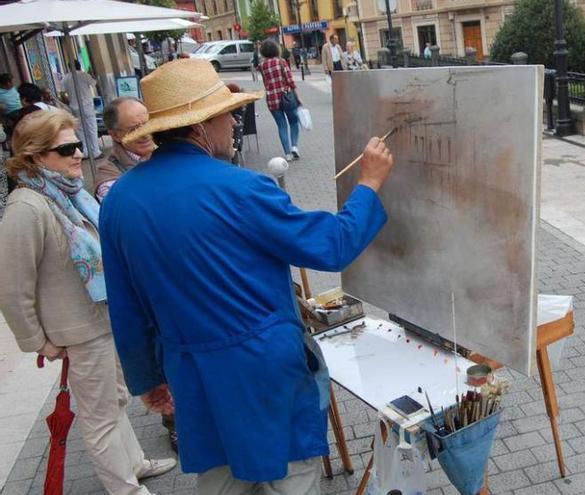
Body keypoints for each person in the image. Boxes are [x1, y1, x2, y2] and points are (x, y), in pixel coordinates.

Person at [99, 58, 393, 494]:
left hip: (191, 369)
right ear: (199, 127)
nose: (236, 121)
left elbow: (124, 305)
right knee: (291, 477)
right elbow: (331, 245)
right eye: (227, 114)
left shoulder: (120, 198)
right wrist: (369, 184)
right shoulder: (242, 188)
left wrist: (148, 379)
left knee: (221, 479)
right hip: (263, 369)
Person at [0, 108, 176, 495]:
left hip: (103, 319)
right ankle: (124, 488)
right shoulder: (27, 207)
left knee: (114, 400)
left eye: (77, 144)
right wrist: (37, 341)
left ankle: (133, 463)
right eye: (66, 149)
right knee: (99, 417)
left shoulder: (68, 194)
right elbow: (12, 287)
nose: (78, 154)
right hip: (78, 330)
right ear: (34, 156)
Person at [94, 97, 155, 202]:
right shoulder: (109, 180)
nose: (145, 134)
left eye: (148, 125)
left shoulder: (169, 151)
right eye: (134, 129)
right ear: (114, 135)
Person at [259, 40, 302, 162]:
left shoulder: (262, 66)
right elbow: (290, 81)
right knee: (294, 122)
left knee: (281, 125)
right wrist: (298, 96)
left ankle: (287, 154)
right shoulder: (282, 62)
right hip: (287, 97)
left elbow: (265, 83)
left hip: (272, 99)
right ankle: (294, 147)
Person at [61, 61, 102, 158]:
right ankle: (95, 151)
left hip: (74, 107)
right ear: (79, 66)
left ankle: (85, 152)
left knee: (80, 131)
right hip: (87, 107)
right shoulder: (84, 75)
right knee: (91, 128)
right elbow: (94, 83)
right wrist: (92, 74)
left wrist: (69, 102)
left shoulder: (65, 78)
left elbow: (62, 94)